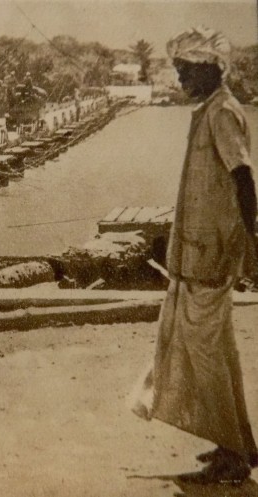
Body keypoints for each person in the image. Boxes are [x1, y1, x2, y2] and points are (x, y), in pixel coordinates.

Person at [132, 26, 258, 484]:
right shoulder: (209, 109)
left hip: (211, 256)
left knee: (206, 354)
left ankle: (234, 455)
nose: (181, 79)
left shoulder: (223, 112)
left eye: (186, 71)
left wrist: (252, 244)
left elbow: (244, 179)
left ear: (209, 68)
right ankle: (241, 442)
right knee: (219, 351)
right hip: (198, 253)